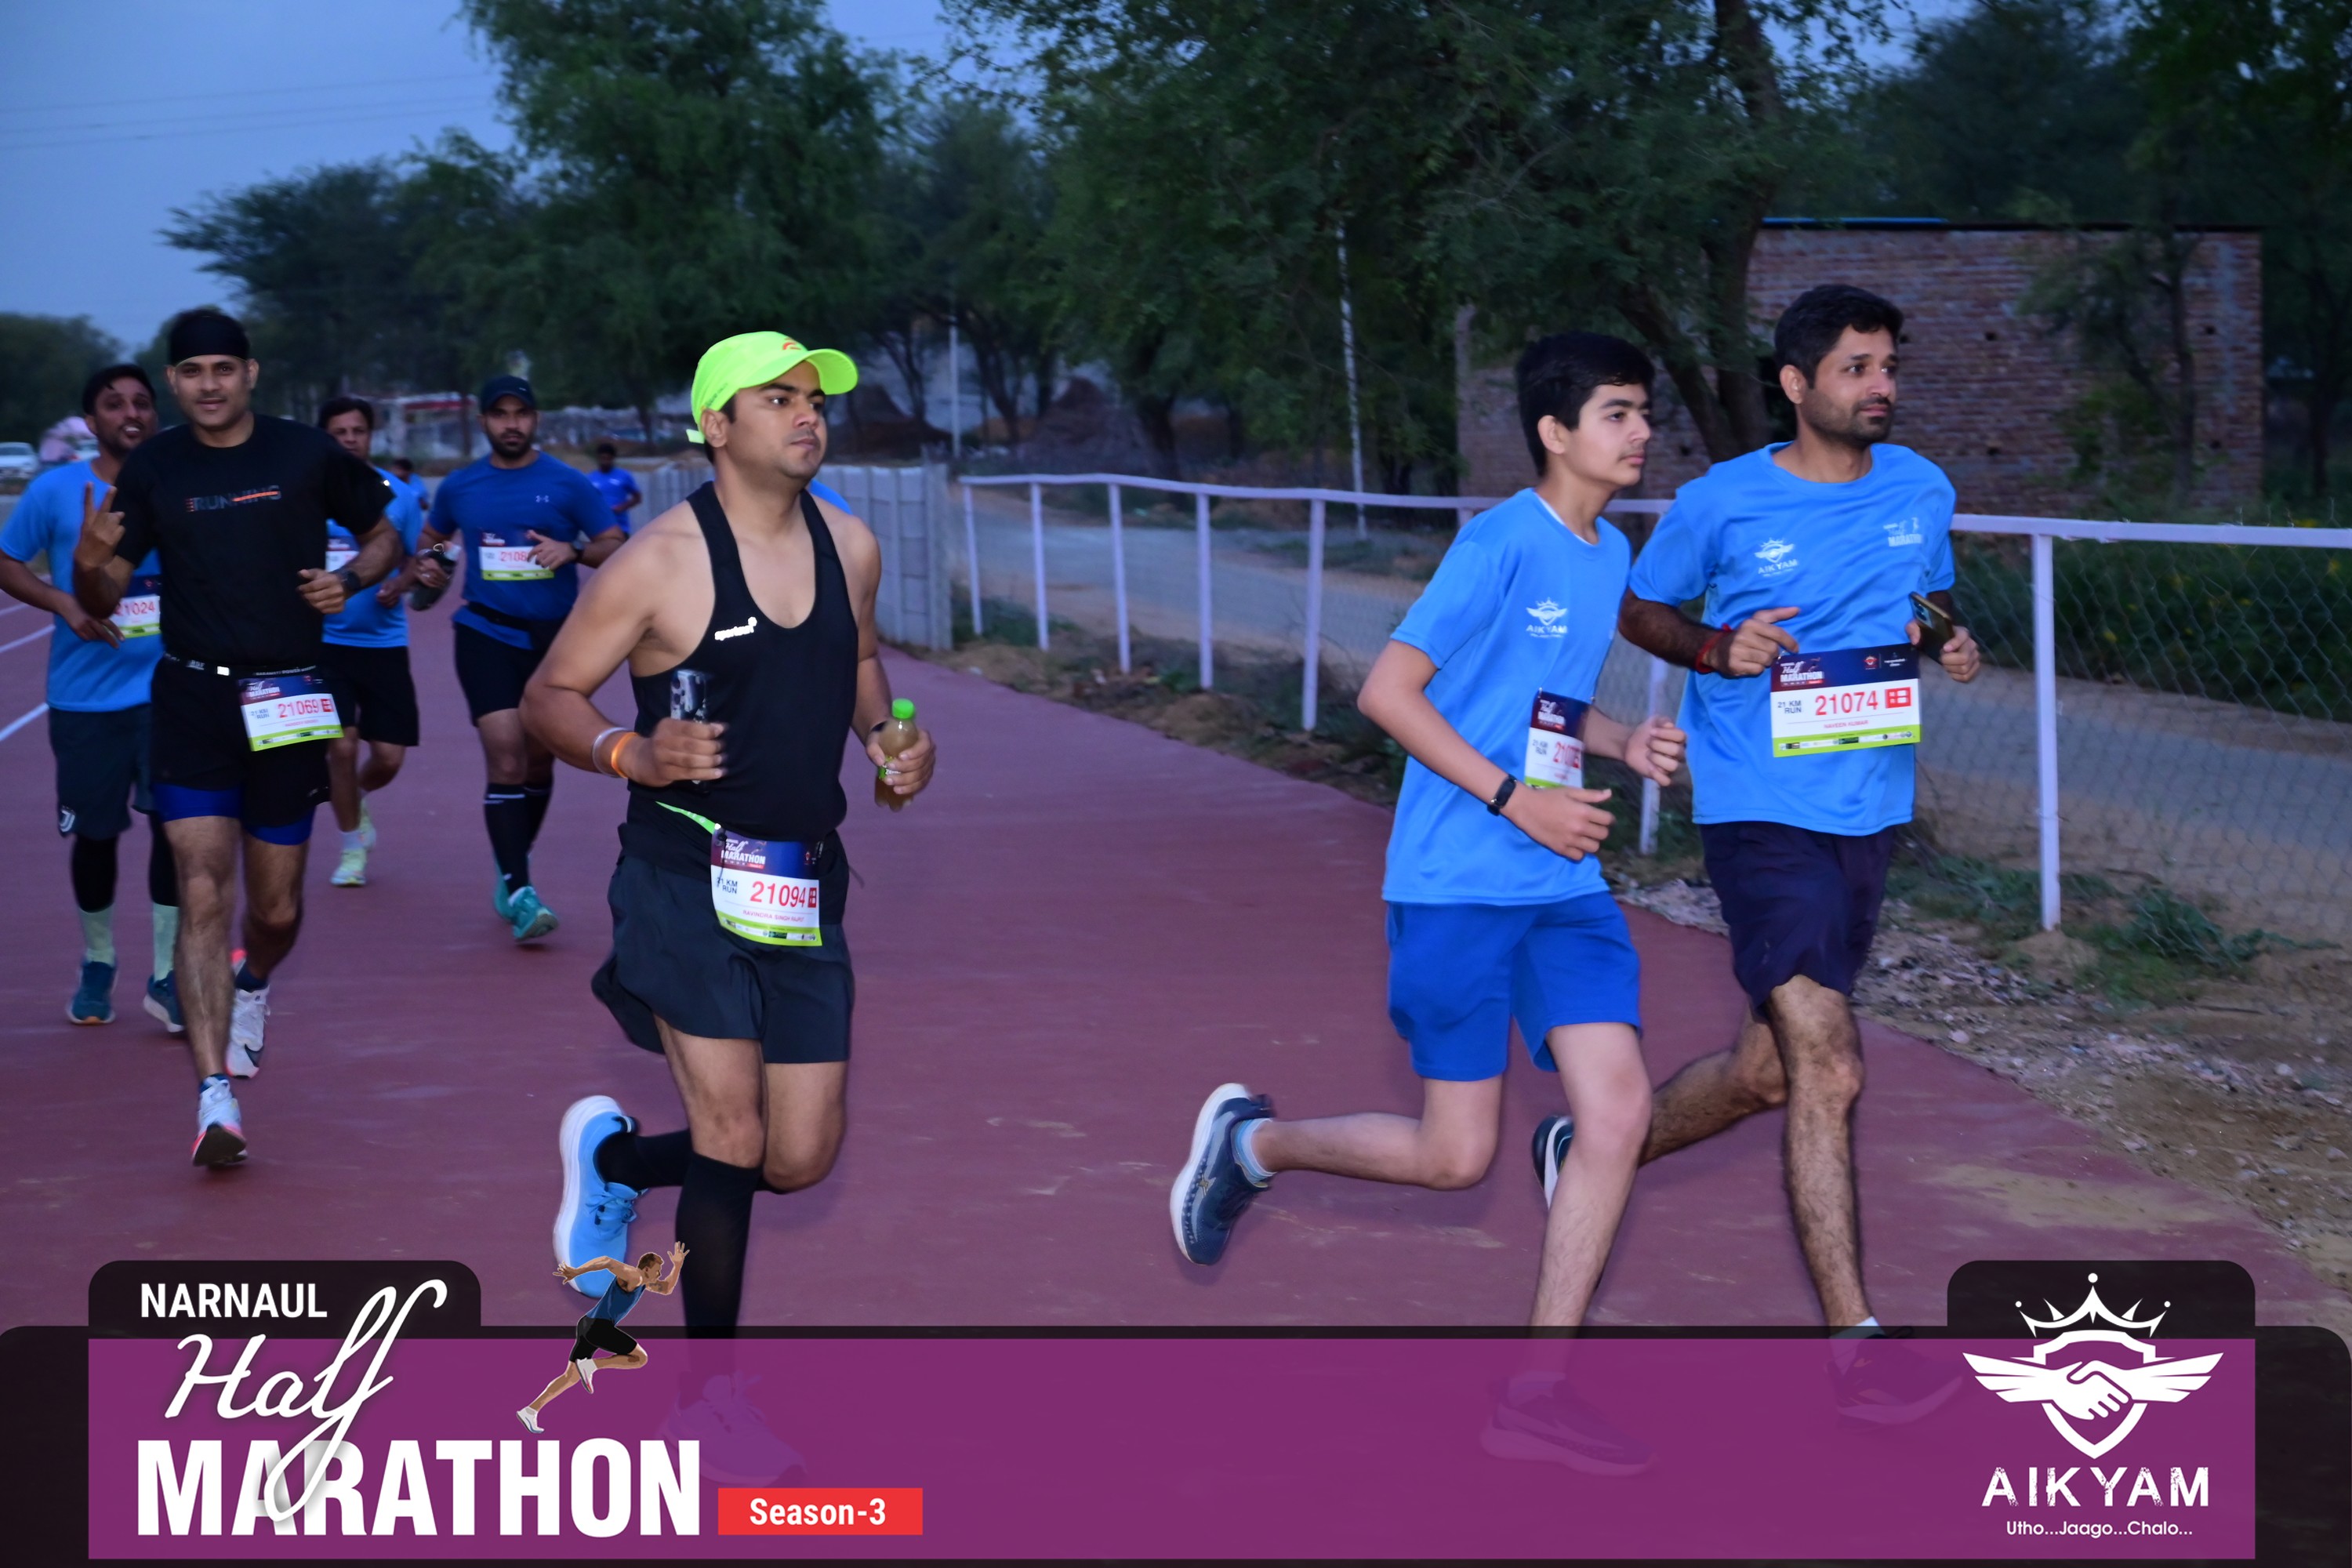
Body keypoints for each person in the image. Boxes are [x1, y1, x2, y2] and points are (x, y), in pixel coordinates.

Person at [1171, 334, 1686, 1467]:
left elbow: (1542, 704)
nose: (1641, 432)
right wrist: (1514, 800)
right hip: (1459, 880)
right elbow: (1390, 692)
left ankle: (1537, 1392)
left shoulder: (1608, 551)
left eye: (1644, 411)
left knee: (1617, 1114)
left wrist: (1619, 740)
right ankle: (1255, 1143)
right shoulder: (1498, 541)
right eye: (1617, 412)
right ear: (1556, 432)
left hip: (1560, 883)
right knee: (1456, 1158)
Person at [527, 331, 934, 1424]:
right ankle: (712, 1401)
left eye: (816, 399)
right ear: (716, 425)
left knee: (798, 1157)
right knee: (734, 1138)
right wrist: (630, 751)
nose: (808, 415)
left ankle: (619, 1161)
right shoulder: (658, 561)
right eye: (778, 398)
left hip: (801, 882)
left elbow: (858, 661)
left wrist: (890, 738)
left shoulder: (850, 545)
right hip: (683, 873)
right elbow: (550, 696)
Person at [1617, 285, 1981, 1416]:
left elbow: (1922, 600)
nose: (1881, 386)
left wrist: (1946, 638)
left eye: (1889, 367)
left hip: (1869, 808)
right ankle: (1857, 1349)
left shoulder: (1921, 487)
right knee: (1831, 1064)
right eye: (1856, 368)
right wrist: (1717, 647)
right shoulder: (1721, 502)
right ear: (1795, 384)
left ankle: (1591, 1148)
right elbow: (1641, 608)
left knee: (1767, 1072)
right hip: (1759, 810)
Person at [71, 308, 401, 1167]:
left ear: (250, 373)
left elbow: (384, 535)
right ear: (173, 382)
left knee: (278, 909)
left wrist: (349, 581)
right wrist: (86, 563)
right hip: (192, 698)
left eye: (224, 368)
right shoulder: (154, 467)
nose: (209, 384)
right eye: (192, 372)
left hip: (289, 694)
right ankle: (214, 1093)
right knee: (202, 890)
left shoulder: (306, 453)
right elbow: (104, 596)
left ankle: (253, 982)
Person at [0, 364, 181, 1030]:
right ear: (91, 420)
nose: (130, 413)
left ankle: (166, 974)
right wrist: (64, 604)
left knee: (176, 832)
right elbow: (6, 560)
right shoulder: (55, 491)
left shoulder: (177, 484)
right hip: (86, 702)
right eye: (114, 404)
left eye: (141, 402)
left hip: (170, 694)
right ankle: (99, 959)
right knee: (96, 839)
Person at [409, 376, 623, 941]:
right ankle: (522, 891)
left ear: (535, 419)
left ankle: (511, 864)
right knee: (505, 756)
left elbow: (614, 544)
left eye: (520, 414)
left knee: (538, 763)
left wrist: (572, 550)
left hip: (554, 640)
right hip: (485, 632)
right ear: (483, 421)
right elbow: (433, 539)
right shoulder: (461, 486)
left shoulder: (566, 483)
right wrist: (433, 562)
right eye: (500, 414)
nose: (511, 424)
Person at [315, 397, 426, 888]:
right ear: (325, 438)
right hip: (323, 644)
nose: (349, 440)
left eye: (357, 431)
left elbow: (424, 554)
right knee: (340, 748)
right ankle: (351, 849)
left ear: (369, 436)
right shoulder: (307, 493)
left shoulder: (398, 495)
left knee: (388, 757)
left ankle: (353, 797)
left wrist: (402, 583)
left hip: (383, 644)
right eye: (339, 432)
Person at [518, 1242, 686, 1432]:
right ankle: (592, 1365)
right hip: (599, 1327)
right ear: (647, 1269)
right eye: (657, 1270)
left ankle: (530, 1410)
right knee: (640, 1358)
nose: (659, 1274)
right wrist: (577, 1272)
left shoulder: (644, 1283)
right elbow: (607, 1261)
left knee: (570, 1377)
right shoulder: (635, 1276)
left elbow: (666, 1288)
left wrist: (677, 1265)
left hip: (587, 1325)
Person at [586, 441, 643, 533]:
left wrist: (622, 507)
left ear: (613, 458)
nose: (605, 462)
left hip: (620, 527)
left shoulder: (624, 476)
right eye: (603, 458)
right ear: (598, 458)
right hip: (599, 529)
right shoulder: (591, 478)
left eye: (608, 459)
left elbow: (637, 498)